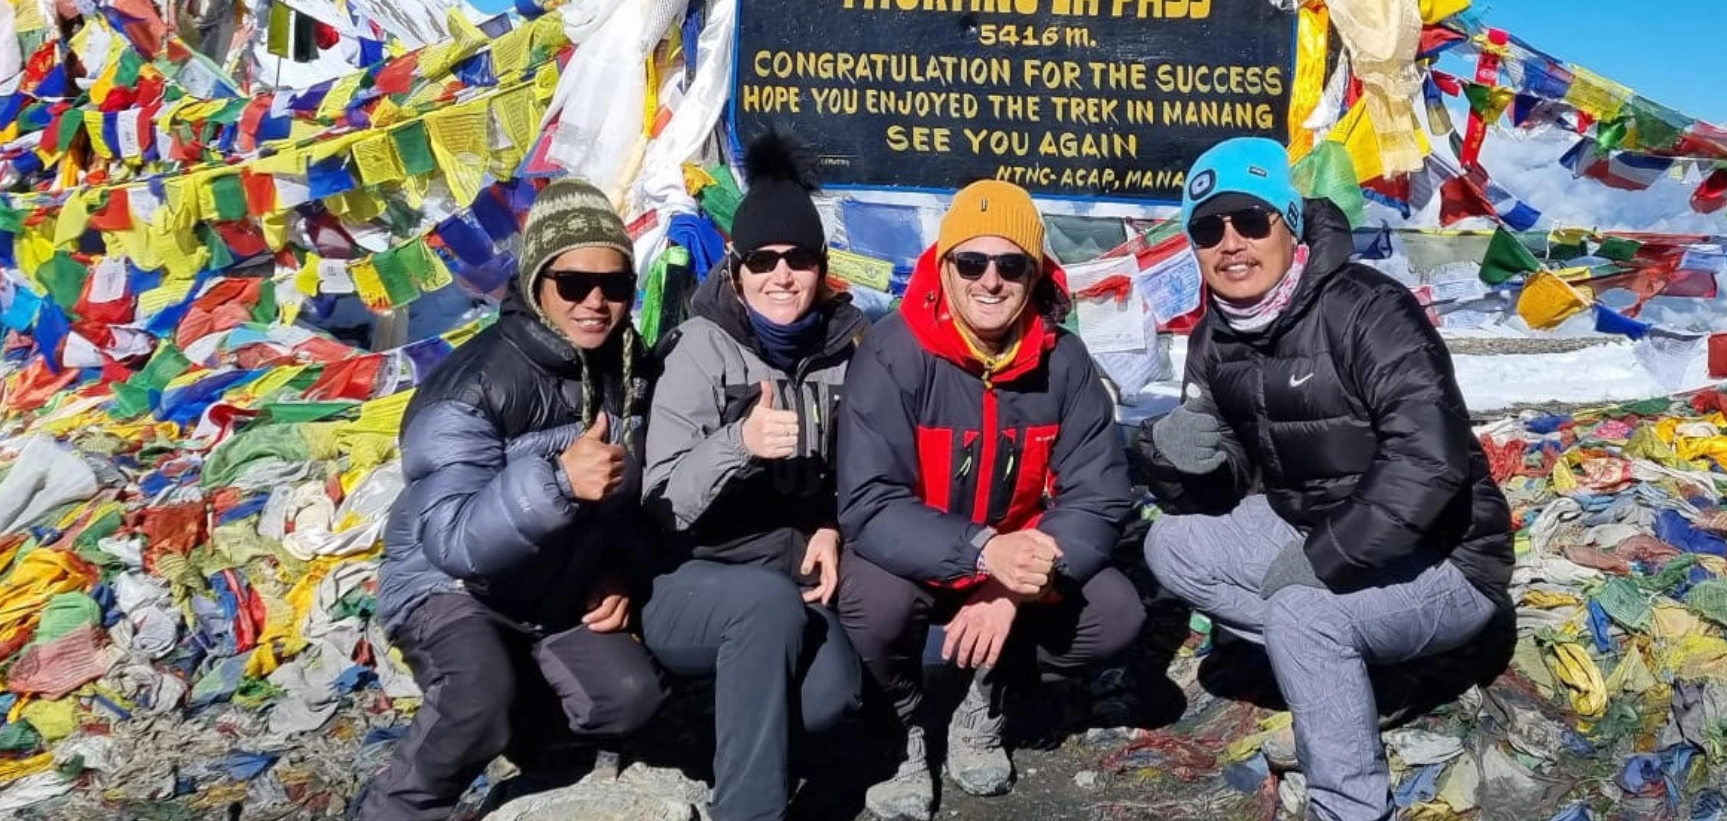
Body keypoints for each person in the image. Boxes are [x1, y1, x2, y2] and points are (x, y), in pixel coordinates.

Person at [1136, 137, 1515, 821]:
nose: (1231, 243)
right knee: (1171, 546)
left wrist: (1322, 561)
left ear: (1291, 223)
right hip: (1316, 527)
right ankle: (1345, 676)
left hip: (1449, 559)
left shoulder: (1368, 309)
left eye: (1251, 220)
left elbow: (1428, 461)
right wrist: (1173, 457)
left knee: (1303, 611)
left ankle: (1351, 807)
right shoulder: (1213, 337)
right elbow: (1225, 486)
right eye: (1207, 228)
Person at [354, 179, 665, 821]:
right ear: (536, 284)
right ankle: (393, 809)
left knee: (629, 697)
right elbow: (452, 540)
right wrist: (555, 482)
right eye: (574, 284)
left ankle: (531, 736)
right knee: (474, 699)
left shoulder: (631, 369)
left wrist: (619, 573)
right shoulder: (469, 387)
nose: (596, 303)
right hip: (450, 588)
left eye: (616, 286)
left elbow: (638, 500)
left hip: (553, 591)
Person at [835, 179, 1141, 820]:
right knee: (873, 603)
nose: (990, 281)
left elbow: (1100, 495)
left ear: (1035, 275)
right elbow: (869, 502)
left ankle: (988, 694)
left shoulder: (1066, 362)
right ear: (944, 266)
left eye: (1011, 264)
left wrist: (1009, 587)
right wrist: (983, 554)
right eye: (971, 262)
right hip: (921, 558)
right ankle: (905, 727)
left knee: (1116, 613)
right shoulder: (892, 353)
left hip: (1019, 565)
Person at [638, 133, 867, 821]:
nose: (781, 276)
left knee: (831, 698)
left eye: (799, 259)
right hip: (685, 579)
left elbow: (867, 471)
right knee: (763, 607)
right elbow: (661, 506)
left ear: (821, 268)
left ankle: (731, 714)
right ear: (737, 269)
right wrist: (737, 444)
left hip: (788, 573)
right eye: (763, 260)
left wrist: (829, 526)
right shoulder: (697, 349)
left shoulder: (849, 351)